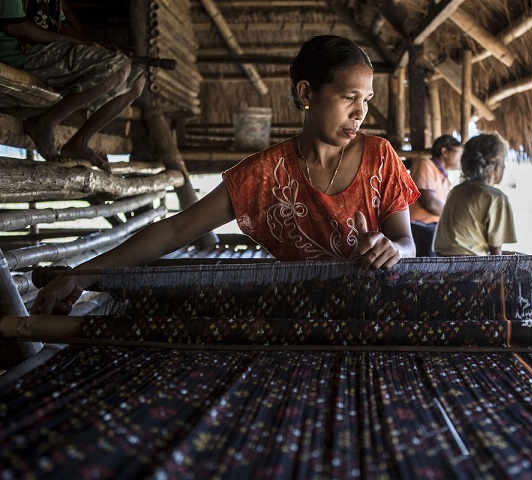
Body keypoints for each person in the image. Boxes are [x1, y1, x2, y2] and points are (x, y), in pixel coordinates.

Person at [31, 35, 420, 315]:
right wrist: (81, 276)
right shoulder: (265, 174)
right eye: (348, 96)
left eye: (366, 99)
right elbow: (176, 231)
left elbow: (406, 243)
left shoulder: (378, 156)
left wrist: (393, 249)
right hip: (302, 320)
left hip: (375, 315)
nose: (360, 112)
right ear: (306, 93)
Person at [0, 0, 146, 172]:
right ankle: (45, 122)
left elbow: (60, 25)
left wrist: (93, 45)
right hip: (21, 52)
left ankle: (79, 142)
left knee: (137, 80)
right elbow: (14, 26)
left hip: (45, 49)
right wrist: (71, 41)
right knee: (119, 67)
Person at [433, 132, 516, 256]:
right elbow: (496, 254)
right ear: (497, 166)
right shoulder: (496, 198)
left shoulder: (456, 191)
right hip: (472, 266)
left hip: (442, 264)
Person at [408, 135, 463, 256]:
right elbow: (430, 203)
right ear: (445, 152)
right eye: (459, 153)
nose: (461, 157)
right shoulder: (426, 164)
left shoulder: (444, 177)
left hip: (433, 228)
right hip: (421, 227)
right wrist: (457, 217)